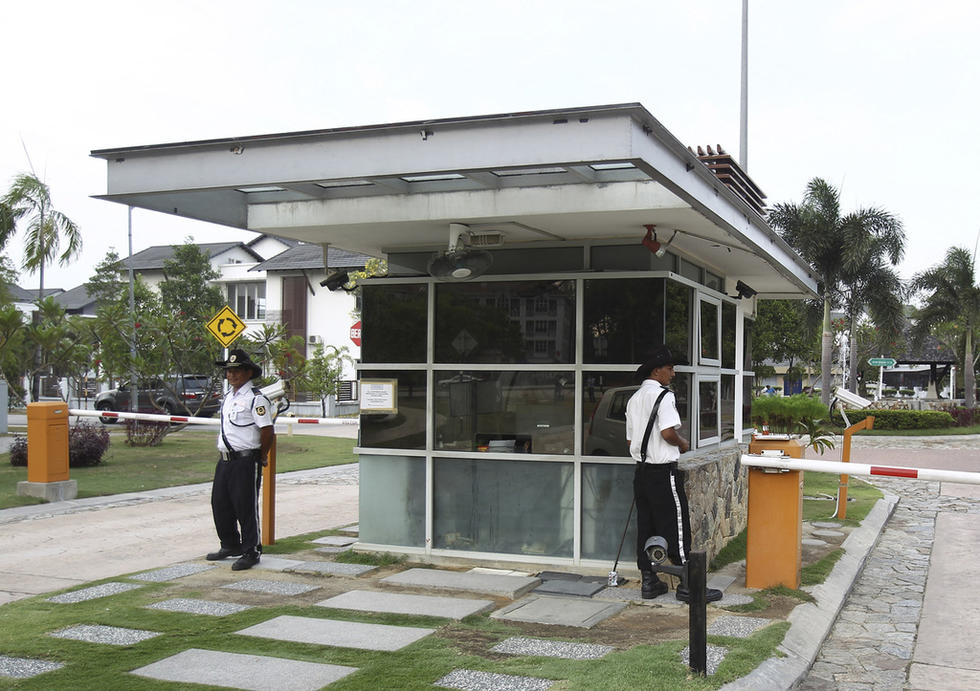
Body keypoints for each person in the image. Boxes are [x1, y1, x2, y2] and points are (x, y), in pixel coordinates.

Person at [625, 345, 722, 602]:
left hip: (641, 472)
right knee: (676, 525)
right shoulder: (664, 396)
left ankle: (649, 581)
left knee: (646, 524)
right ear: (656, 371)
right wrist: (682, 443)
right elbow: (667, 432)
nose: (673, 373)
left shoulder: (634, 399)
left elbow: (630, 441)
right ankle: (687, 584)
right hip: (662, 472)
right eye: (670, 368)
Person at [206, 349, 275, 571]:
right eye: (229, 371)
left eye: (237, 371)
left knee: (245, 506)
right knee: (220, 503)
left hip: (245, 460)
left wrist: (261, 455)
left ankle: (251, 550)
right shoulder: (229, 397)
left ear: (248, 372)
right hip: (225, 459)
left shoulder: (256, 398)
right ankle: (230, 544)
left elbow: (267, 430)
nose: (232, 375)